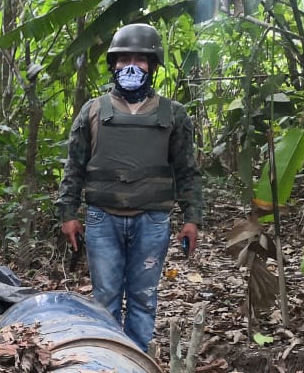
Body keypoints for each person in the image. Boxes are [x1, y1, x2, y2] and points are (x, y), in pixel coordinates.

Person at [56, 22, 203, 350]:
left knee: (143, 298)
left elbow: (187, 171)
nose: (131, 67)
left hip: (151, 222)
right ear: (113, 64)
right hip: (102, 219)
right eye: (124, 60)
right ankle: (109, 362)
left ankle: (137, 361)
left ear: (152, 66)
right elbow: (74, 166)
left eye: (141, 59)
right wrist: (67, 212)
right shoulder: (93, 110)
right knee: (104, 298)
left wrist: (192, 219)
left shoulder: (173, 114)